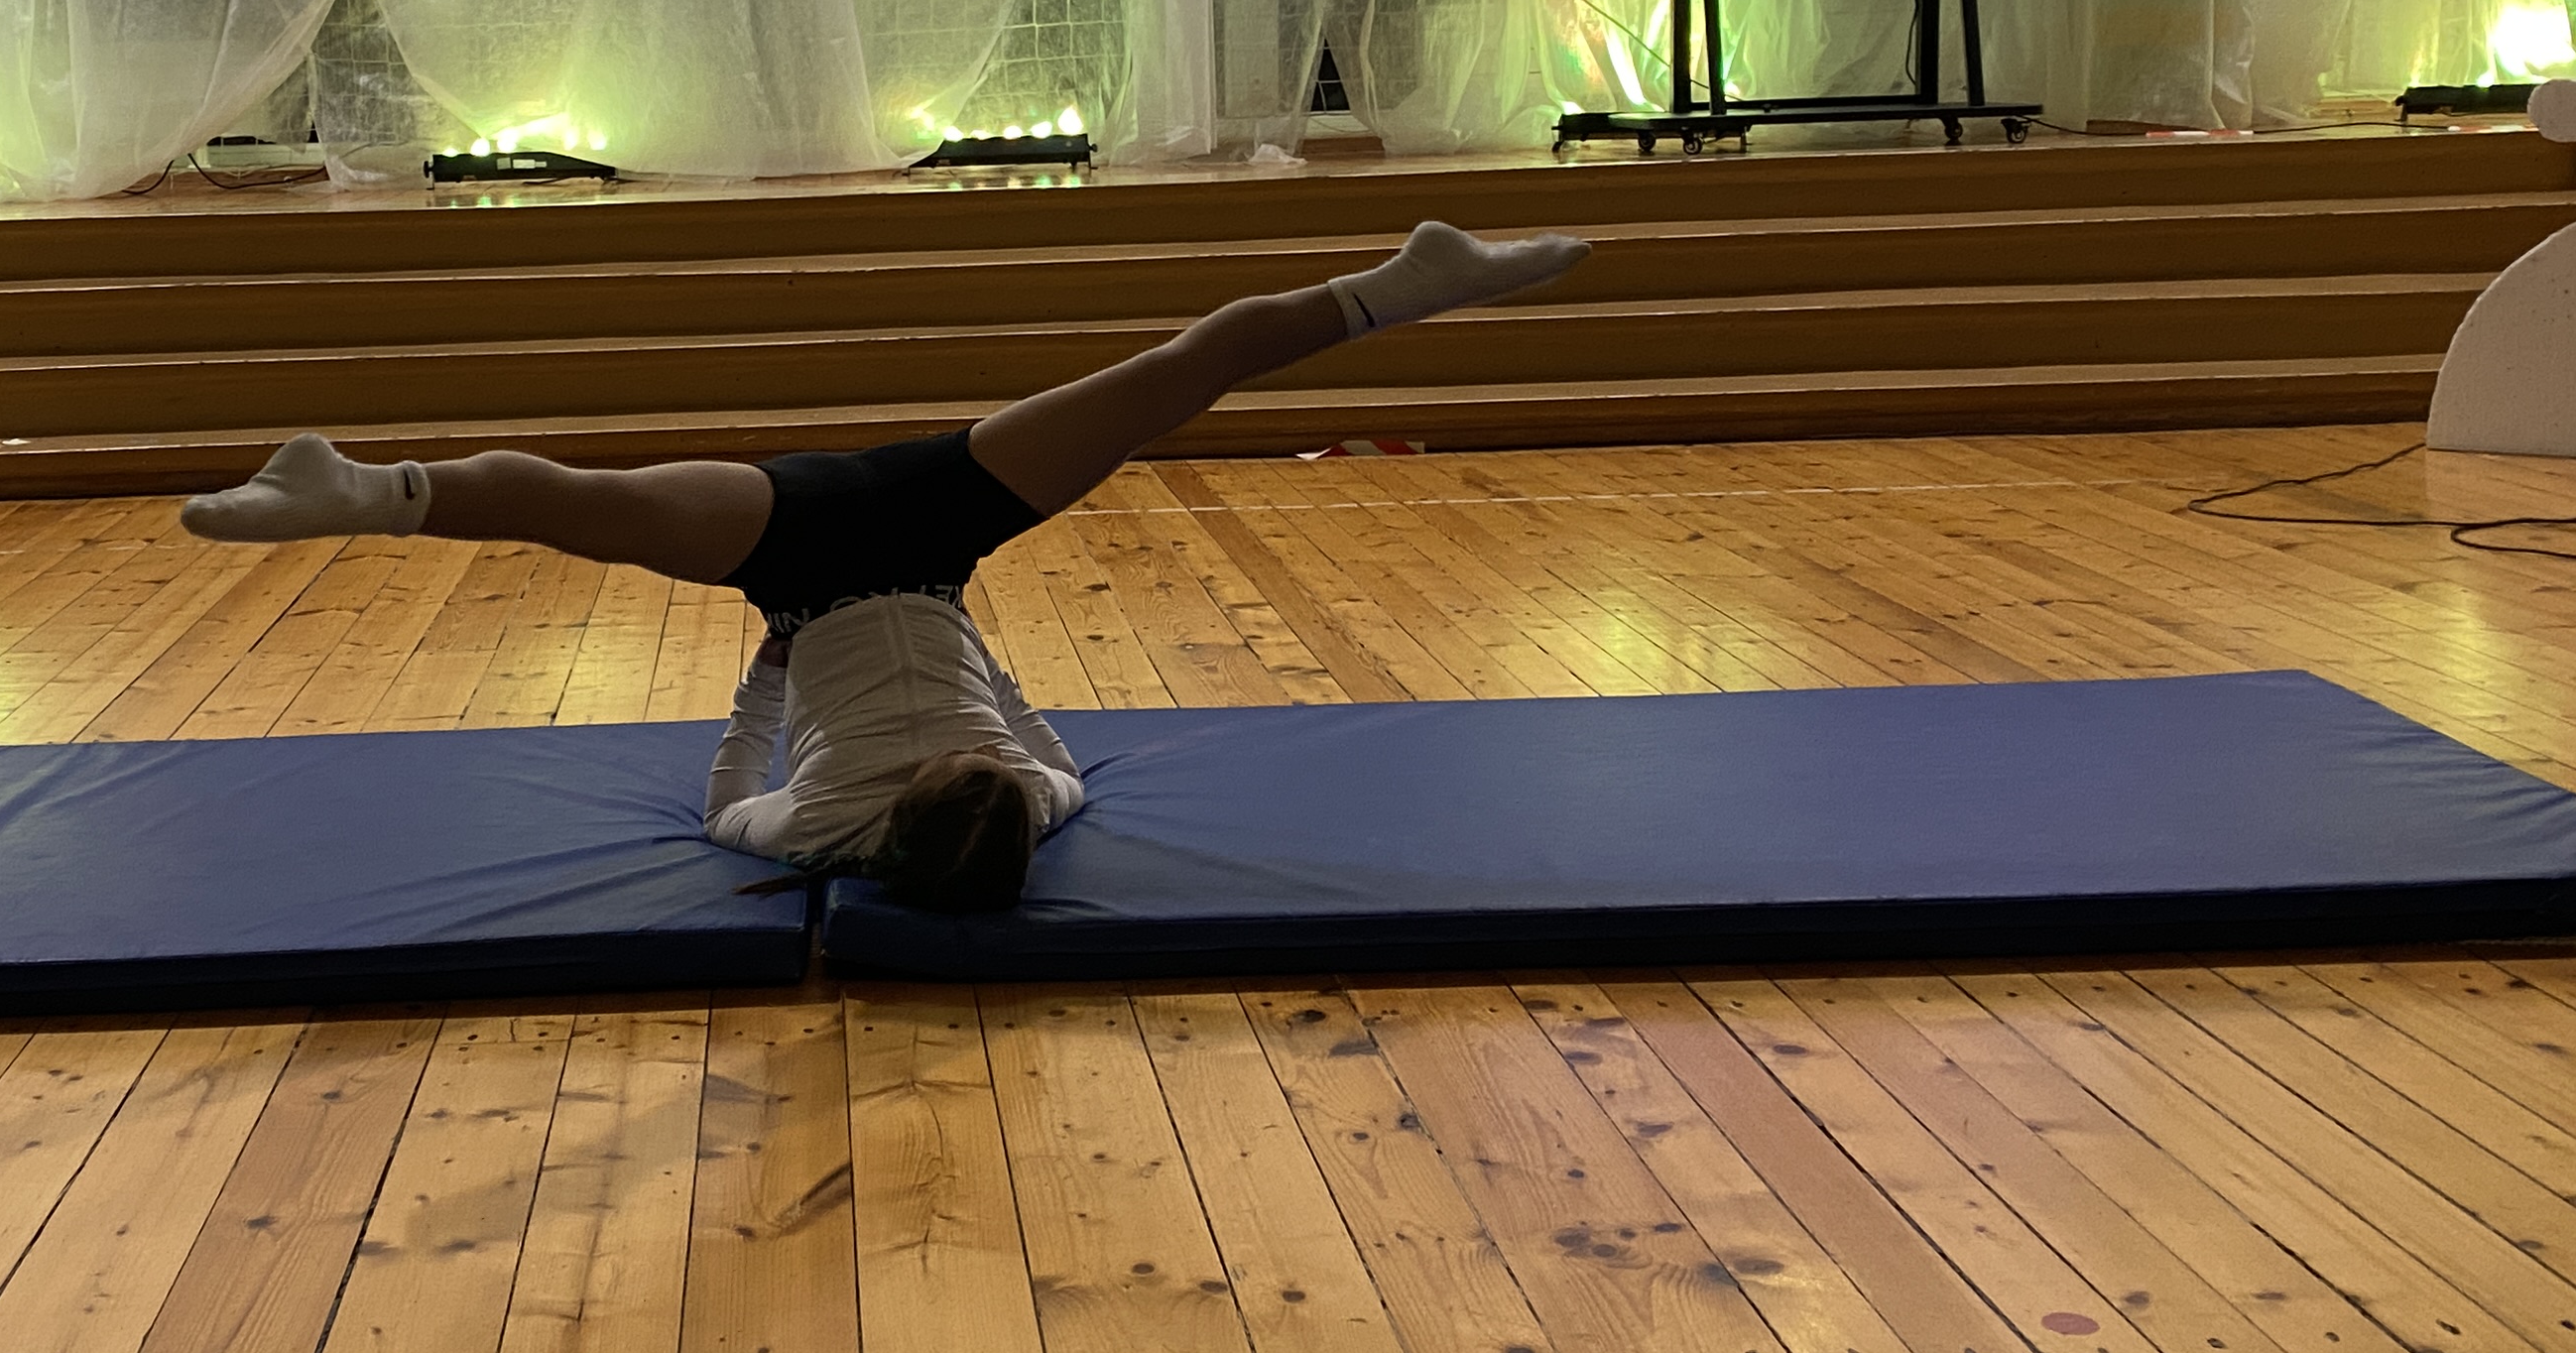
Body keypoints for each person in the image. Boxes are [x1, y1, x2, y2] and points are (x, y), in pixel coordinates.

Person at [180, 218, 1588, 909]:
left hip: (892, 542)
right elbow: (740, 792)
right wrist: (788, 668)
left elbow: (1030, 750)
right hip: (837, 552)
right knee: (578, 506)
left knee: (1178, 374)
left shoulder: (993, 807)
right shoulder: (876, 824)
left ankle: (356, 489)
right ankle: (360, 490)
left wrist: (926, 657)